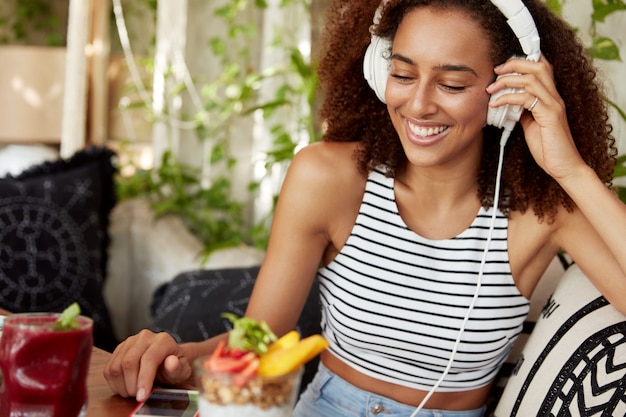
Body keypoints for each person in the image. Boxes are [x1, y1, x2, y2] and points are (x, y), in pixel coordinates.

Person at [104, 0, 626, 415]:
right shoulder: (326, 178)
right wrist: (176, 361)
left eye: (452, 83)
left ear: (506, 94)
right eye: (402, 74)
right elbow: (259, 345)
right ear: (380, 74)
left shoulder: (543, 211)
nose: (419, 104)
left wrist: (570, 169)